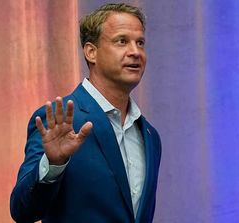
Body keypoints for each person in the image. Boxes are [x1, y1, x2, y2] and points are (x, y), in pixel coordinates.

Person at [10, 3, 162, 223]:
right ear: (91, 52)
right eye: (122, 41)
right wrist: (53, 165)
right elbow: (22, 211)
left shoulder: (150, 135)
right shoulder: (58, 119)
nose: (135, 52)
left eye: (140, 43)